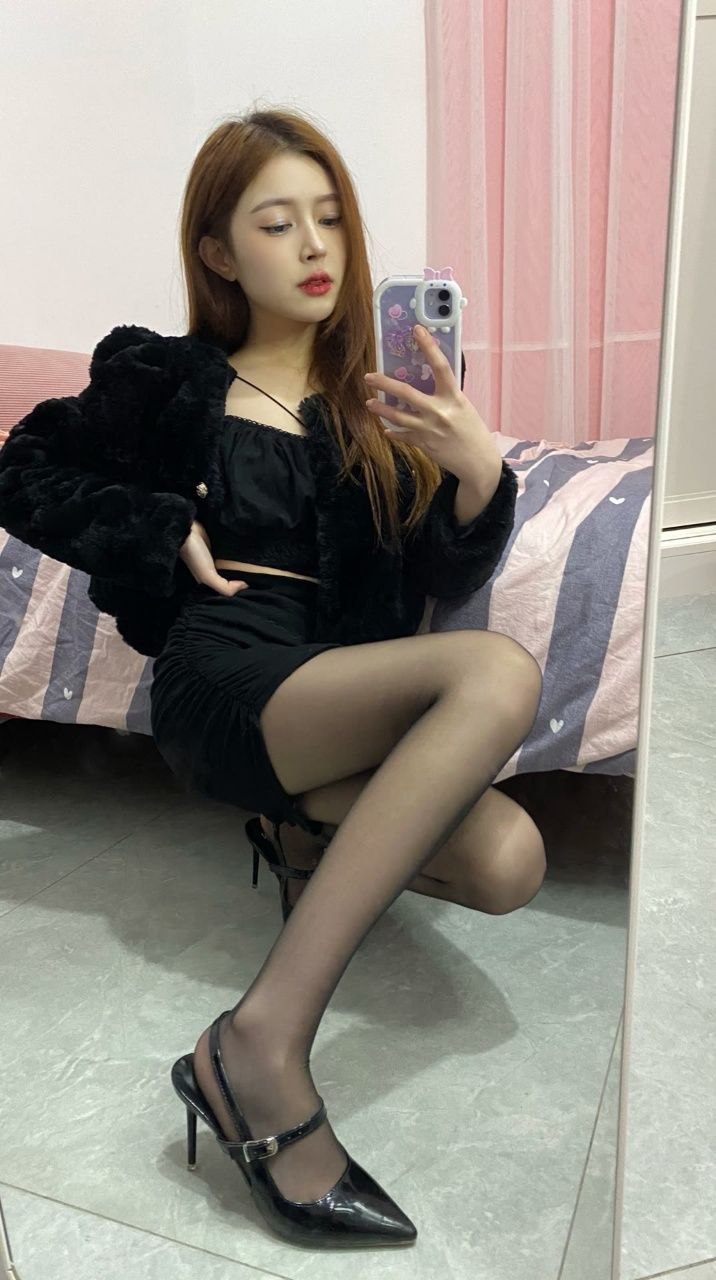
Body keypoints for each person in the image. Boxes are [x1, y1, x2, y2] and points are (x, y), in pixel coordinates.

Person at [0, 108, 544, 1248]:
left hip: (334, 678)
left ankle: (294, 833)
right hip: (224, 670)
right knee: (496, 673)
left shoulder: (379, 398)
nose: (314, 246)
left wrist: (474, 474)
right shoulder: (165, 377)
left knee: (509, 862)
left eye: (330, 218)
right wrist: (157, 527)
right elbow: (22, 470)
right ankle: (256, 1046)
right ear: (218, 251)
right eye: (277, 222)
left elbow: (441, 574)